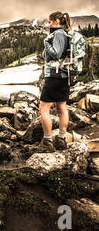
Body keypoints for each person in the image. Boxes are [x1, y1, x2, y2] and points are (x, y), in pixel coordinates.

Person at [38, 11, 71, 152]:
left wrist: (46, 42)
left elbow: (56, 53)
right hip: (63, 76)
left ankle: (47, 142)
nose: (49, 24)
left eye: (50, 22)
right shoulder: (66, 33)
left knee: (43, 109)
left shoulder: (58, 34)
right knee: (61, 108)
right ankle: (61, 140)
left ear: (57, 21)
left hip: (54, 76)